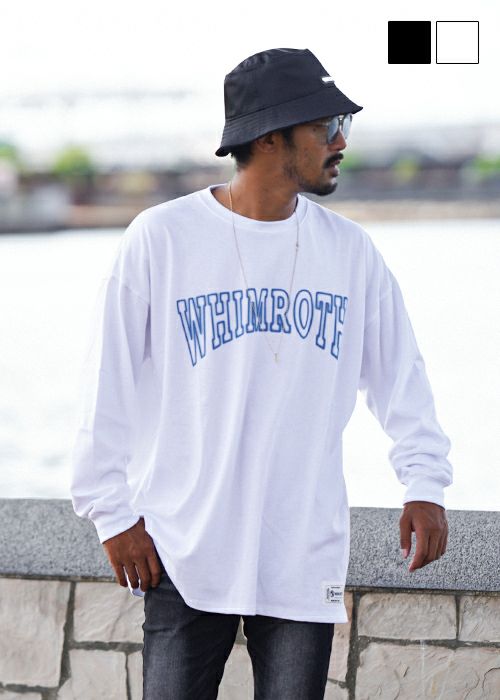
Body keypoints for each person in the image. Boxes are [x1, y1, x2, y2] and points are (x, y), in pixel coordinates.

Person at [70, 47, 453, 699]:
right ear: (271, 137)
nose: (340, 142)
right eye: (327, 126)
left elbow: (402, 379)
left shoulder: (350, 253)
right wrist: (111, 514)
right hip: (184, 549)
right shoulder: (162, 238)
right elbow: (106, 385)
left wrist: (425, 484)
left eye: (343, 126)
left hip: (302, 553)